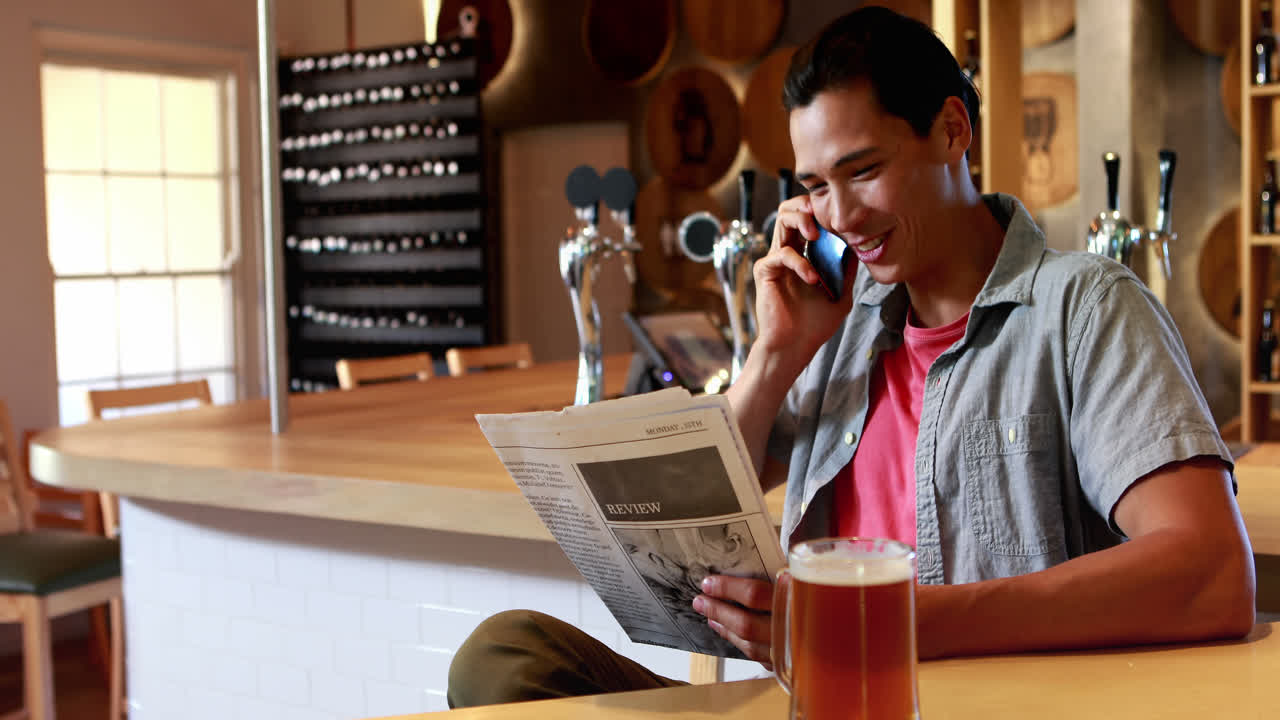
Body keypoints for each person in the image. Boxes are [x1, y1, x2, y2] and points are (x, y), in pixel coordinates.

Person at [447, 6, 1255, 707]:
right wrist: (776, 352)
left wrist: (896, 622)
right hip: (808, 704)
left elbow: (1212, 573)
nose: (842, 216)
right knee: (505, 656)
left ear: (951, 130)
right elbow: (703, 491)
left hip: (970, 704)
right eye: (816, 186)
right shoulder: (840, 325)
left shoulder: (1083, 308)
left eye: (862, 171)